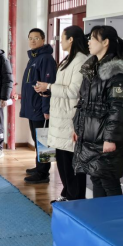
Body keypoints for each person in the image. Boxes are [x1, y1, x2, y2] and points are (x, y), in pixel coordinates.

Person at [72, 25, 123, 198]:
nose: (89, 42)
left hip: (104, 138)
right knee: (96, 177)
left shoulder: (117, 72)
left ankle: (115, 216)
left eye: (93, 39)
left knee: (109, 181)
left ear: (105, 42)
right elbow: (83, 102)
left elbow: (117, 107)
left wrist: (110, 138)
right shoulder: (91, 68)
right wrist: (78, 128)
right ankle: (99, 213)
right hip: (90, 135)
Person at [35, 26, 88, 202]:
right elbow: (63, 88)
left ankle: (75, 199)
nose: (61, 42)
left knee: (71, 162)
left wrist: (49, 86)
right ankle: (67, 194)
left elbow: (74, 91)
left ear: (71, 39)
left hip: (70, 118)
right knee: (63, 160)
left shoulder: (80, 60)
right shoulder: (68, 59)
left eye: (63, 38)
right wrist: (48, 91)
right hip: (61, 116)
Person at [20, 28, 57, 184]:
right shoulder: (34, 58)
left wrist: (46, 109)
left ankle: (43, 174)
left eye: (36, 38)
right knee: (38, 139)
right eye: (30, 38)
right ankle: (39, 167)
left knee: (44, 140)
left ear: (43, 39)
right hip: (33, 107)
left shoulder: (46, 58)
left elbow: (48, 85)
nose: (33, 40)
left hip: (40, 108)